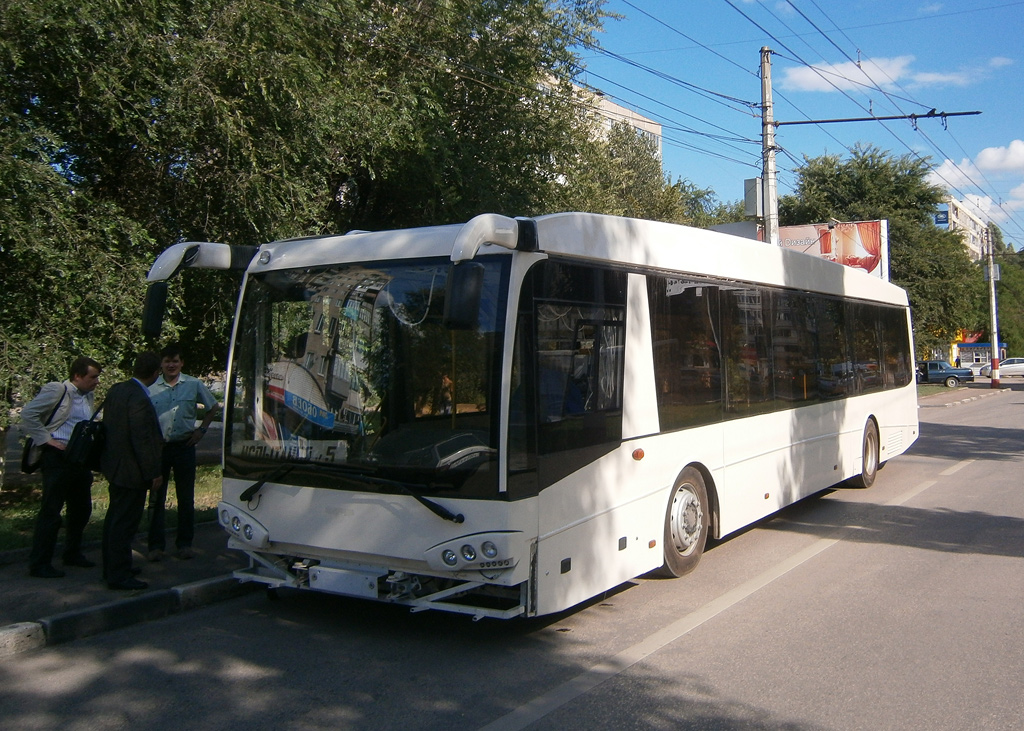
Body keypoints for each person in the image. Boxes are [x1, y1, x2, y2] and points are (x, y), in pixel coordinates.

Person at [22, 356, 103, 578]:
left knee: (81, 509)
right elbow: (28, 414)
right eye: (92, 377)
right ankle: (40, 563)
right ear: (77, 376)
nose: (96, 381)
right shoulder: (58, 390)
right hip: (57, 458)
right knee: (52, 511)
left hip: (78, 458)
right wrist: (46, 439)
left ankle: (72, 552)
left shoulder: (87, 395)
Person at [146, 344, 220, 561]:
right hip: (159, 449)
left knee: (186, 498)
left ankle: (185, 544)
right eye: (167, 361)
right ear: (161, 363)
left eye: (175, 361)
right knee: (156, 498)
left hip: (184, 447)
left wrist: (202, 430)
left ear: (182, 363)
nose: (171, 365)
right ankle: (155, 546)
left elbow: (213, 407)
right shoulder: (151, 388)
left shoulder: (193, 384)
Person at [100, 352, 164, 590]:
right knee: (124, 524)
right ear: (155, 373)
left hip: (115, 466)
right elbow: (142, 439)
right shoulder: (138, 398)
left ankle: (113, 566)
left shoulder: (118, 389)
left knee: (114, 519)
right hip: (131, 471)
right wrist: (153, 472)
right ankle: (119, 574)